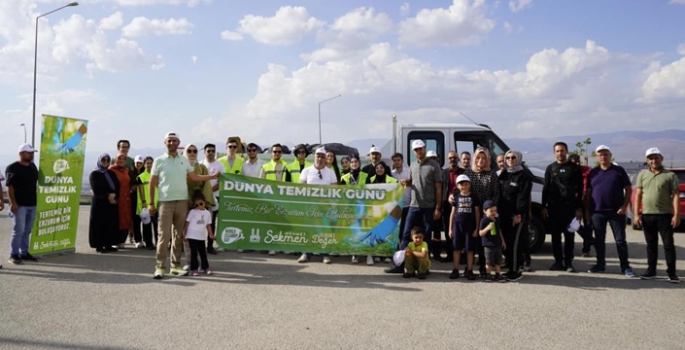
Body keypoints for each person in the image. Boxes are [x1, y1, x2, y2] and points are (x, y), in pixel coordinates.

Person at [148, 132, 218, 280]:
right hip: (165, 202)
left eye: (174, 141)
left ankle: (175, 266)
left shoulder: (184, 161)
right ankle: (160, 267)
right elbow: (152, 182)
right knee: (164, 236)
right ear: (165, 142)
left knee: (179, 236)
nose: (172, 143)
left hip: (182, 202)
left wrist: (211, 177)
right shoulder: (159, 161)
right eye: (169, 140)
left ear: (178, 142)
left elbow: (194, 177)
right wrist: (150, 203)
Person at [385, 140, 442, 274]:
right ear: (413, 152)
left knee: (426, 237)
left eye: (421, 149)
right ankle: (400, 264)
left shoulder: (434, 166)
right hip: (414, 205)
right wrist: (406, 182)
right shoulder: (413, 165)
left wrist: (438, 208)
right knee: (405, 235)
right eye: (416, 150)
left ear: (424, 148)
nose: (419, 152)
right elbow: (413, 183)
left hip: (429, 206)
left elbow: (438, 188)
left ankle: (424, 267)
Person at [585, 145, 634, 277]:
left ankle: (625, 267)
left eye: (605, 154)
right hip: (597, 212)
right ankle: (600, 264)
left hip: (616, 212)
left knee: (620, 240)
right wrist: (588, 210)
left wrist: (625, 206)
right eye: (600, 154)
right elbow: (588, 193)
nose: (603, 156)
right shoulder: (593, 172)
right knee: (599, 241)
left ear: (610, 155)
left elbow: (629, 189)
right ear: (597, 157)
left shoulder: (619, 170)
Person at [634, 147, 680, 283]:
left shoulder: (670, 175)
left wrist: (676, 215)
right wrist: (636, 214)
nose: (654, 160)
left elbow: (676, 196)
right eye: (651, 158)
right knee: (651, 245)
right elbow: (638, 195)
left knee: (668, 245)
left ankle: (672, 273)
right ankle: (651, 271)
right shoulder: (642, 175)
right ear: (647, 160)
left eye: (656, 158)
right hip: (647, 215)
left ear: (661, 159)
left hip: (665, 215)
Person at [542, 142, 584, 273]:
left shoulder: (575, 168)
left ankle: (569, 262)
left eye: (562, 150)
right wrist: (544, 206)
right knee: (555, 237)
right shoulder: (550, 168)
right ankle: (558, 261)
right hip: (554, 208)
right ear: (554, 153)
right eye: (557, 151)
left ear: (566, 151)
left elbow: (580, 189)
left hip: (570, 208)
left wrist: (579, 208)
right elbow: (546, 188)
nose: (560, 153)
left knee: (569, 236)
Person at [297, 147, 338, 264]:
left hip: (325, 207)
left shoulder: (330, 173)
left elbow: (335, 190)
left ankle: (324, 254)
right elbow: (300, 188)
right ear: (314, 157)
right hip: (310, 206)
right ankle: (306, 254)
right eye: (318, 156)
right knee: (309, 230)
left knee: (324, 230)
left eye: (322, 156)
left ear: (325, 159)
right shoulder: (306, 170)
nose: (320, 158)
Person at [463, 147, 500, 278]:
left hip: (487, 214)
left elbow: (496, 194)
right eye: (478, 157)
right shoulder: (468, 173)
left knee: (486, 242)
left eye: (484, 158)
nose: (481, 160)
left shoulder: (492, 174)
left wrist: (490, 211)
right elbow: (461, 190)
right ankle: (469, 269)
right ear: (474, 158)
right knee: (472, 241)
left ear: (488, 160)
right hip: (471, 212)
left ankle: (485, 269)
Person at [498, 150, 533, 281]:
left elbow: (523, 197)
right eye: (508, 158)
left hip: (516, 217)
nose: (510, 160)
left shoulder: (523, 175)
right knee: (506, 243)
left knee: (515, 244)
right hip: (503, 215)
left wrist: (518, 214)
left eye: (513, 158)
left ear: (518, 159)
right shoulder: (504, 174)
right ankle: (510, 267)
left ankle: (515, 271)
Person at [5, 144, 40, 265]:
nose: (31, 155)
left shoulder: (33, 167)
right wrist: (13, 203)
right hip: (19, 205)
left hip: (32, 204)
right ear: (21, 153)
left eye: (32, 153)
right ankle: (13, 254)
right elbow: (9, 187)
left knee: (27, 230)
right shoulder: (12, 168)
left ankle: (24, 253)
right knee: (18, 230)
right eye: (29, 152)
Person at [182, 143, 215, 269]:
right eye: (189, 150)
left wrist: (203, 203)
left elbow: (206, 184)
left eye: (194, 151)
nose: (192, 153)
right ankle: (190, 260)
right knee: (187, 233)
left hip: (199, 204)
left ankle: (202, 261)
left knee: (200, 232)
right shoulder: (182, 167)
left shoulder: (201, 167)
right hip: (185, 202)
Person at [448, 175, 481, 280]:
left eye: (466, 184)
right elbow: (452, 214)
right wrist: (450, 228)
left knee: (469, 249)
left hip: (470, 226)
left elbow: (477, 212)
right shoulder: (456, 197)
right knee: (456, 248)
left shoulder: (474, 197)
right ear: (457, 186)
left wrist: (477, 227)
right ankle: (455, 269)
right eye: (461, 184)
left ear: (470, 185)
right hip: (457, 225)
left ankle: (470, 270)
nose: (464, 186)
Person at [341, 156, 370, 265]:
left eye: (355, 162)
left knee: (366, 229)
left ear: (359, 163)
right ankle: (355, 253)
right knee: (353, 230)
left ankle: (369, 254)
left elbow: (371, 191)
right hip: (351, 206)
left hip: (363, 206)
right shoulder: (345, 177)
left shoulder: (365, 176)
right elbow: (342, 193)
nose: (353, 164)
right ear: (349, 164)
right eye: (351, 162)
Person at [89, 153, 120, 253]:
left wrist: (114, 195)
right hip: (99, 203)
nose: (106, 162)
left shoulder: (111, 173)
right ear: (99, 161)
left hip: (111, 203)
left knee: (110, 224)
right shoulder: (94, 174)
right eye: (103, 160)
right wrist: (108, 196)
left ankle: (108, 244)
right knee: (99, 224)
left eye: (108, 160)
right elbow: (96, 188)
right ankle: (99, 245)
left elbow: (117, 185)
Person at [183, 190, 216, 276]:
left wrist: (211, 234)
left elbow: (208, 225)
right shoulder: (192, 212)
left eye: (201, 204)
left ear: (204, 202)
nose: (199, 206)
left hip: (201, 236)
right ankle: (194, 268)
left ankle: (205, 267)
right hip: (191, 235)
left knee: (203, 252)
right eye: (196, 205)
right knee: (193, 253)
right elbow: (187, 223)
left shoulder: (207, 213)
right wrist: (185, 234)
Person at [201, 143, 225, 254]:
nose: (210, 153)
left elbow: (222, 182)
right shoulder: (200, 164)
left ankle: (210, 246)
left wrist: (209, 191)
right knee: (199, 221)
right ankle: (199, 246)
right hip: (201, 198)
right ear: (204, 152)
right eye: (208, 151)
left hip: (215, 197)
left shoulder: (220, 165)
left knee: (211, 222)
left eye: (212, 151)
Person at [569, 153, 594, 257]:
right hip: (574, 201)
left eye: (578, 161)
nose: (577, 164)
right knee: (573, 224)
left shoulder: (588, 170)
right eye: (574, 162)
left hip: (588, 200)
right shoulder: (569, 172)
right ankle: (589, 238)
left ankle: (586, 249)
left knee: (588, 225)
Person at [440, 151, 462, 263]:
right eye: (450, 158)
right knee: (448, 231)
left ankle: (460, 256)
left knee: (459, 231)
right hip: (446, 206)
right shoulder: (443, 173)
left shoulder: (463, 172)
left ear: (458, 159)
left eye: (454, 157)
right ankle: (449, 254)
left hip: (461, 205)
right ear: (447, 160)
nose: (452, 159)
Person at [109, 153, 134, 248]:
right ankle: (114, 240)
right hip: (117, 197)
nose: (121, 160)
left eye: (123, 159)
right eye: (119, 158)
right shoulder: (111, 169)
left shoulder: (127, 170)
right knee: (116, 218)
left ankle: (121, 240)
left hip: (127, 197)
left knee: (126, 218)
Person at [479, 200, 506, 282]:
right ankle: (488, 274)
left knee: (498, 261)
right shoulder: (484, 220)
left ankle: (498, 274)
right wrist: (487, 228)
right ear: (484, 211)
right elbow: (480, 233)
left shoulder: (496, 219)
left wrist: (503, 241)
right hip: (488, 245)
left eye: (495, 211)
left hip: (497, 244)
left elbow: (499, 231)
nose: (493, 213)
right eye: (491, 211)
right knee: (489, 261)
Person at [391, 153, 411, 250]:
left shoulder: (408, 171)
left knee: (406, 229)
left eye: (398, 160)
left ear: (402, 161)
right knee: (396, 228)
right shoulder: (391, 174)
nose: (397, 162)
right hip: (396, 205)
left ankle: (405, 248)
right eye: (395, 160)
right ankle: (397, 248)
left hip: (408, 204)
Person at [137, 156, 158, 250]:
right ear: (144, 165)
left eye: (151, 163)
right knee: (147, 225)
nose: (149, 165)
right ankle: (148, 243)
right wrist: (144, 202)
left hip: (158, 204)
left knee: (158, 226)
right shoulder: (141, 177)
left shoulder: (158, 176)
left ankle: (159, 243)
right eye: (147, 163)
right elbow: (141, 191)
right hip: (147, 205)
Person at [130, 155, 146, 247]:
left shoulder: (145, 172)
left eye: (140, 163)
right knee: (136, 221)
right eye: (137, 163)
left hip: (145, 200)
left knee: (146, 221)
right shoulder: (131, 173)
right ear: (134, 163)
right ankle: (138, 240)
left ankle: (146, 239)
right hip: (135, 200)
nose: (139, 164)